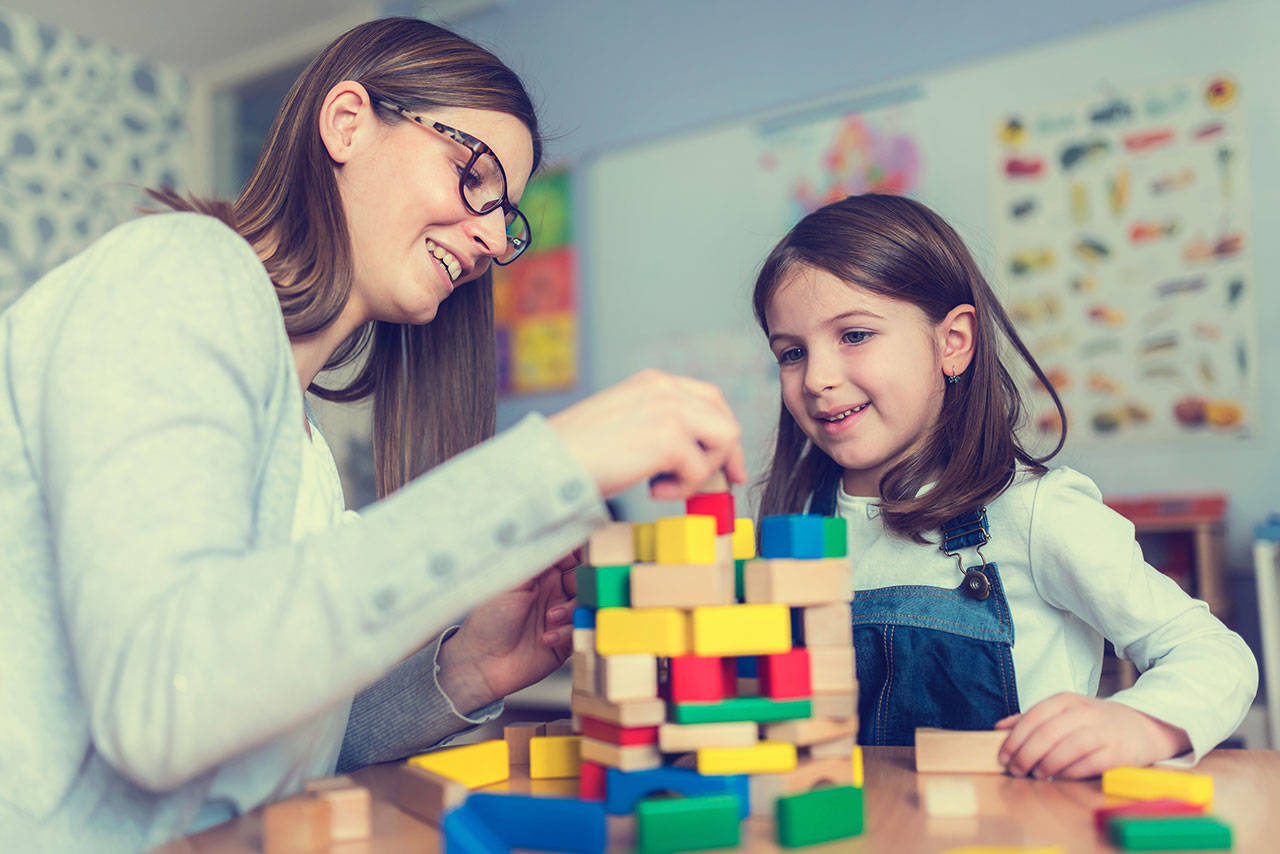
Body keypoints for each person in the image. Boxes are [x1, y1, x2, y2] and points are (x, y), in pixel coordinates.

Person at [0, 17, 745, 851]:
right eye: (475, 176)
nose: (497, 239)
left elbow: (262, 746)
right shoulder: (176, 272)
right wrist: (552, 462)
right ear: (347, 123)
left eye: (510, 216)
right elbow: (163, 705)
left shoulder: (306, 446)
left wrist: (470, 666)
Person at [751, 193, 1256, 779]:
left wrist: (1138, 723)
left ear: (953, 342)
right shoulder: (793, 531)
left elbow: (1216, 653)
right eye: (792, 353)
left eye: (855, 335)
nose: (818, 378)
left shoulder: (1034, 512)